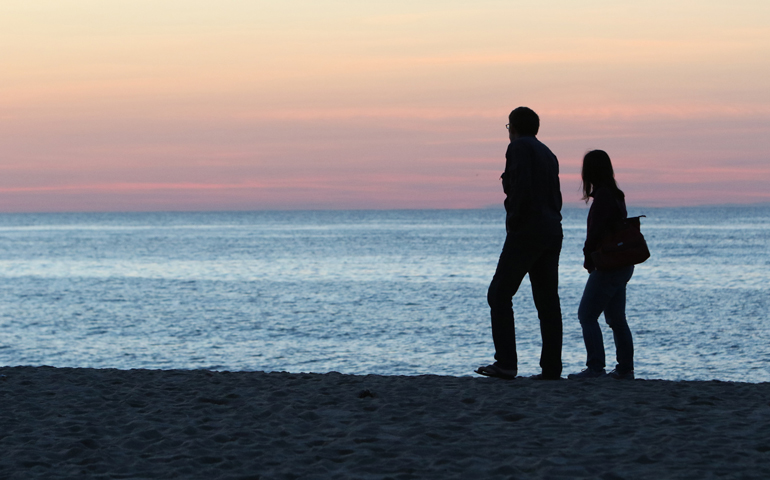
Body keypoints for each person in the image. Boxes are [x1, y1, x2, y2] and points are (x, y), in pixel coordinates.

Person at [476, 107, 564, 380]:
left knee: (499, 293)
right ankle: (551, 368)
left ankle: (506, 363)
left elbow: (520, 188)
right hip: (551, 229)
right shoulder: (548, 153)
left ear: (512, 127)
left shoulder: (518, 148)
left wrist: (514, 222)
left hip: (528, 229)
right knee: (547, 301)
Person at [568, 150, 635, 380]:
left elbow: (596, 232)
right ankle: (625, 368)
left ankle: (596, 367)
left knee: (586, 315)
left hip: (609, 264)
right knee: (616, 318)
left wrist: (588, 257)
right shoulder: (616, 195)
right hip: (622, 263)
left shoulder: (604, 197)